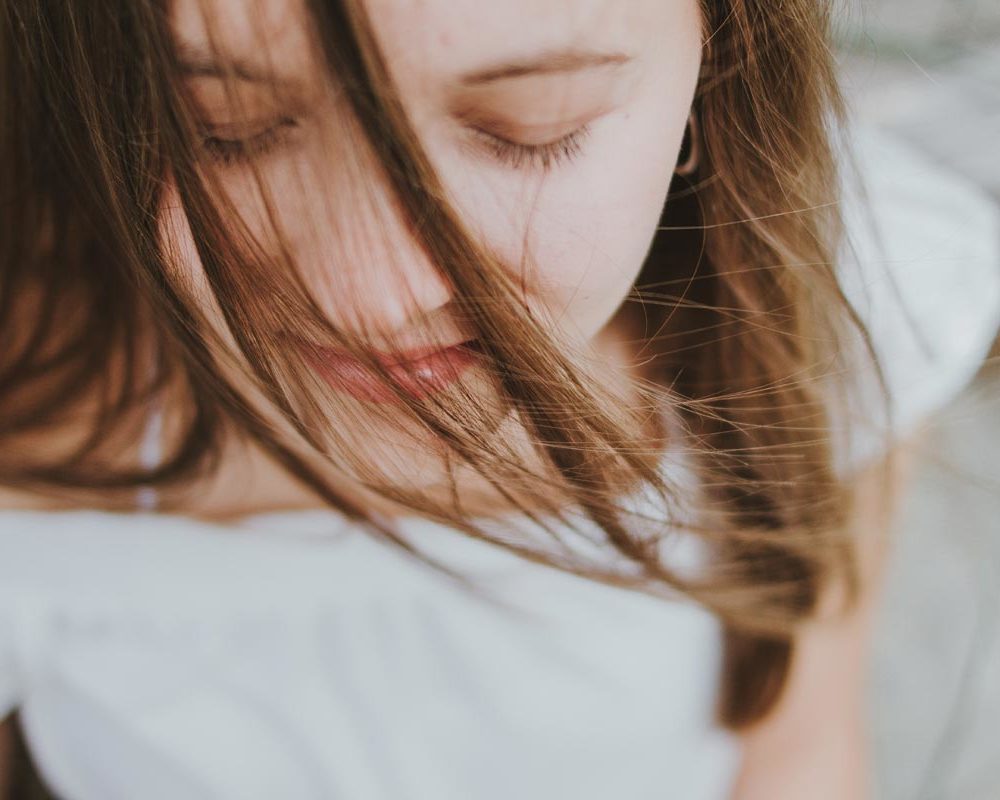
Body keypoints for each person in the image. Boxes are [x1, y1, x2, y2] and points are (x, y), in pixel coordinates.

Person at [0, 0, 998, 797]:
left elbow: (797, 755)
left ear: (713, 77)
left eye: (531, 131)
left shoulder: (823, 308)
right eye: (223, 129)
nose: (371, 298)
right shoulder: (34, 431)